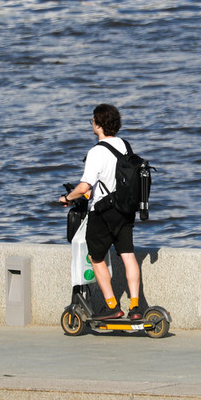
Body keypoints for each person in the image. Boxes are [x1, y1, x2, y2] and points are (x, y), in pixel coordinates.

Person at [60, 104, 143, 320]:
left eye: (92, 122)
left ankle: (112, 305)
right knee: (127, 254)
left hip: (103, 213)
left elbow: (84, 187)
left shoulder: (96, 152)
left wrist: (67, 198)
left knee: (95, 258)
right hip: (126, 209)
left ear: (98, 125)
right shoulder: (125, 145)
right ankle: (135, 306)